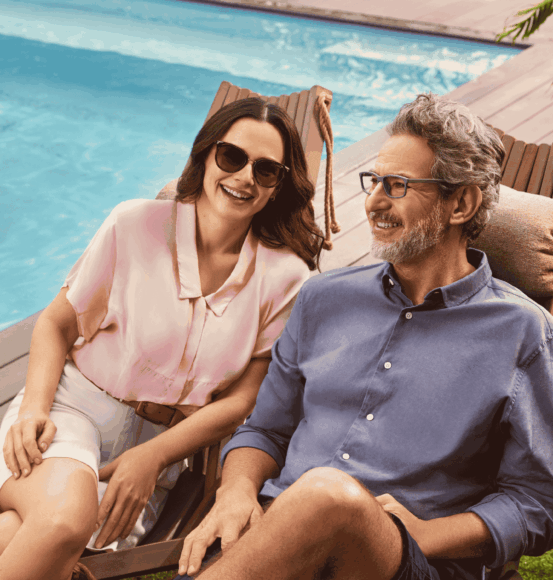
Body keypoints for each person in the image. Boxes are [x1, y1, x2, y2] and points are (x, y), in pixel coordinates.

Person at [175, 93, 553, 580]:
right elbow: (265, 430)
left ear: (461, 203)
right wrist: (236, 492)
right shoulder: (322, 298)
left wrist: (429, 534)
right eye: (374, 181)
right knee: (322, 494)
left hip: (404, 562)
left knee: (328, 492)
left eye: (398, 185)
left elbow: (545, 502)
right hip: (273, 541)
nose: (374, 202)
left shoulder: (525, 336)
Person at [0, 97, 324, 580]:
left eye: (265, 169)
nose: (244, 178)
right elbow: (56, 324)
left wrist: (153, 456)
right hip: (71, 412)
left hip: (162, 451)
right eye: (231, 156)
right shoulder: (134, 224)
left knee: (19, 533)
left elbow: (242, 401)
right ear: (205, 155)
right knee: (65, 522)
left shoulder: (286, 277)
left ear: (279, 184)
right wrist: (33, 409)